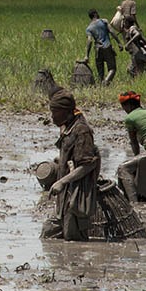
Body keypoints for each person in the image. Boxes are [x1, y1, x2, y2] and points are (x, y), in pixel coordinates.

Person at [40, 88, 100, 242]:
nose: (52, 117)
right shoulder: (68, 126)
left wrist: (61, 181)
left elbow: (88, 165)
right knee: (48, 232)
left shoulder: (82, 131)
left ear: (65, 111)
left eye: (54, 112)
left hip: (77, 193)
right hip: (66, 193)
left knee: (74, 239)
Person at [82, 8, 122, 84]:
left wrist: (86, 55)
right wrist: (119, 43)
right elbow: (112, 31)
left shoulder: (89, 28)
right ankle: (106, 82)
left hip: (98, 50)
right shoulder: (104, 21)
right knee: (112, 68)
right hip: (107, 47)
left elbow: (89, 41)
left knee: (100, 73)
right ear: (95, 14)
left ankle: (101, 84)